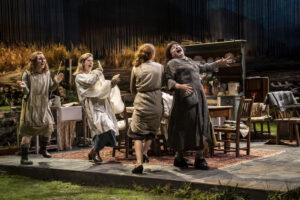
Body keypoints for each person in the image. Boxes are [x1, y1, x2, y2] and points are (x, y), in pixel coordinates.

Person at [165, 41, 231, 170]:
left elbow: (204, 67)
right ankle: (179, 157)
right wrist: (179, 86)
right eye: (173, 48)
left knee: (201, 125)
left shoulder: (189, 61)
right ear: (171, 54)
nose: (176, 47)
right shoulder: (172, 63)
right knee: (183, 127)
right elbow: (168, 79)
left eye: (177, 45)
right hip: (184, 101)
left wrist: (218, 63)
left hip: (199, 98)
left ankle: (199, 158)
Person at [17, 51, 64, 165]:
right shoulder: (27, 74)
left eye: (44, 59)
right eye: (40, 59)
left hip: (43, 105)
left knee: (48, 128)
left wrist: (56, 83)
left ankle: (43, 149)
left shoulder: (47, 73)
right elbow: (27, 94)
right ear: (33, 61)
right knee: (28, 132)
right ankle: (24, 158)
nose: (43, 61)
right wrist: (24, 88)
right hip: (31, 105)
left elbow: (50, 88)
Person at [74, 53, 120, 163]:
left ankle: (94, 151)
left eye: (91, 60)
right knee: (98, 128)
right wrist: (99, 71)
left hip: (102, 105)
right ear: (82, 63)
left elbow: (102, 88)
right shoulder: (80, 77)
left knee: (108, 126)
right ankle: (96, 153)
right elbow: (90, 83)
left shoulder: (95, 75)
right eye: (88, 61)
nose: (90, 62)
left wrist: (112, 82)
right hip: (91, 106)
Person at [128, 43, 164, 174]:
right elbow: (163, 83)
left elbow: (132, 89)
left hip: (142, 103)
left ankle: (138, 163)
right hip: (156, 104)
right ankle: (144, 152)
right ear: (153, 54)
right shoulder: (160, 67)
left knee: (137, 134)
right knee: (151, 131)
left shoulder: (136, 68)